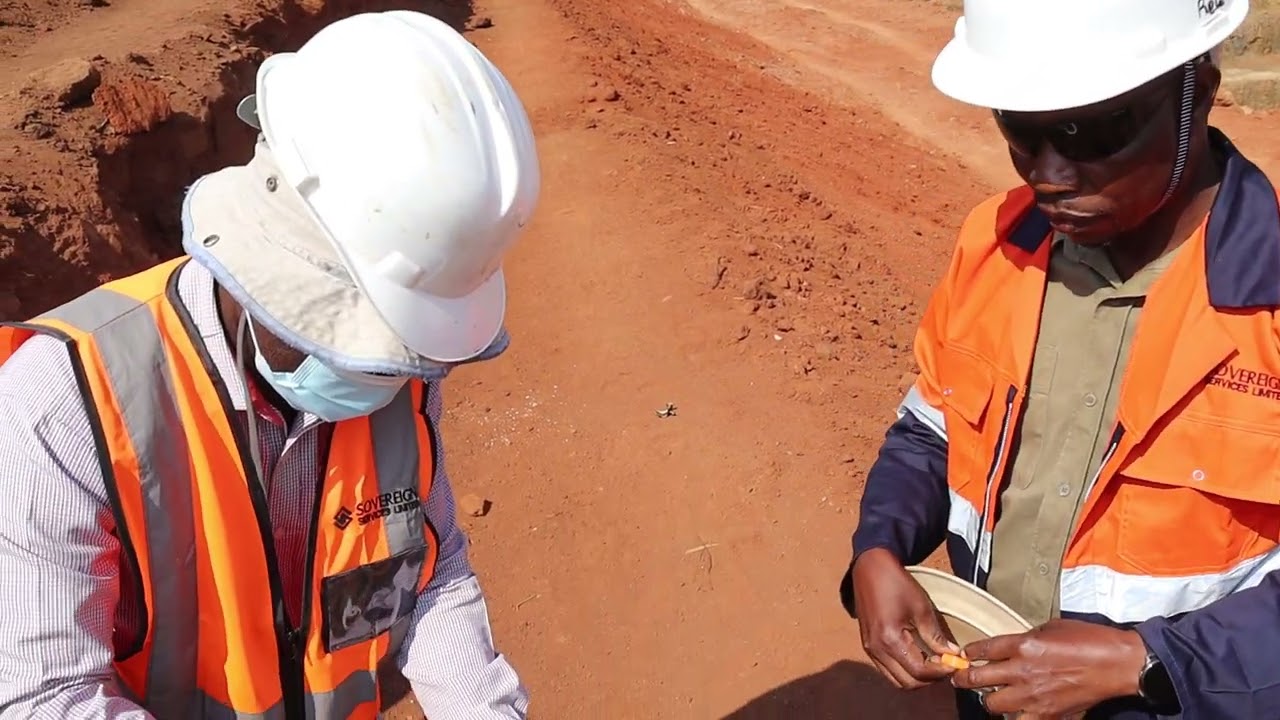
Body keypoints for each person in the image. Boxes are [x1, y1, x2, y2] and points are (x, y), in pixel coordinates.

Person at [0, 10, 539, 720]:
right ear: (267, 257)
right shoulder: (64, 401)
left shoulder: (400, 384)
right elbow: (45, 697)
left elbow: (429, 576)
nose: (381, 377)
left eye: (400, 349)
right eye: (352, 337)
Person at [840, 0, 1280, 718]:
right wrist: (879, 546)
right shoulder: (995, 243)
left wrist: (1148, 664)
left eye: (1090, 131)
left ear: (1199, 91)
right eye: (1020, 126)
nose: (1048, 174)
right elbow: (933, 429)